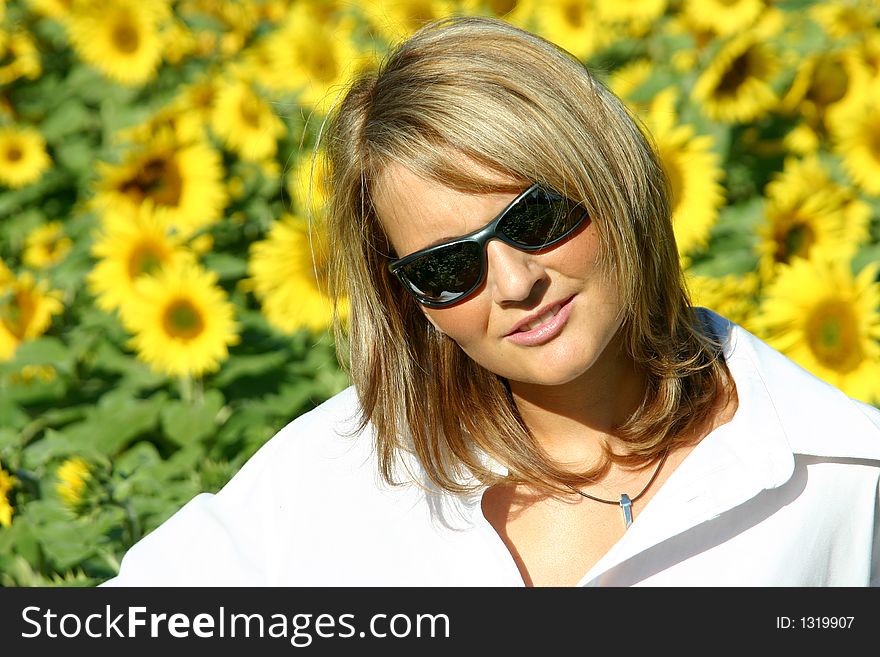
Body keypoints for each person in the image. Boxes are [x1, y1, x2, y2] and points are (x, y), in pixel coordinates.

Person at [102, 16, 880, 587]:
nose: (513, 284)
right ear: (408, 299)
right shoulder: (335, 476)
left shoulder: (840, 472)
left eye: (535, 219)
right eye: (447, 268)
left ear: (613, 178)